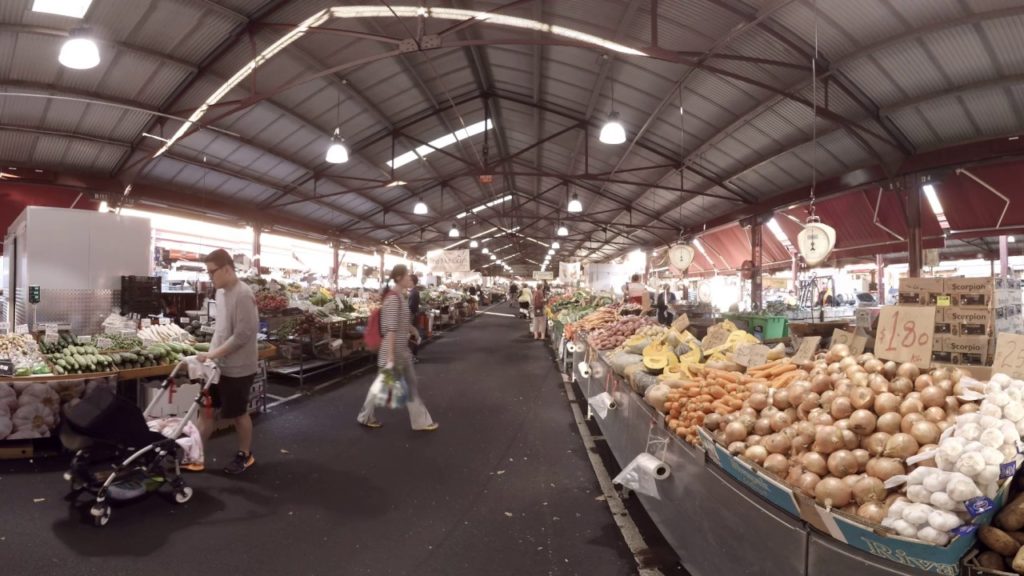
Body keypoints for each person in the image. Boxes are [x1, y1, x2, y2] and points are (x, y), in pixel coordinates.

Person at [189, 249, 259, 475]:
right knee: (206, 412)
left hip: (238, 367)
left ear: (227, 269)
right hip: (216, 367)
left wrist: (213, 354)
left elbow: (243, 335)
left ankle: (245, 455)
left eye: (212, 272)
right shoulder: (220, 293)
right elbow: (221, 331)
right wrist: (210, 357)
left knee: (238, 413)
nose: (210, 277)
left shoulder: (243, 294)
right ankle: (195, 456)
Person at [357, 265, 437, 431]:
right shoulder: (393, 298)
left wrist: (413, 330)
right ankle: (420, 422)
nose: (411, 279)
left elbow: (401, 323)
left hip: (399, 350)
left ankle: (365, 416)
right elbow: (391, 328)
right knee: (408, 385)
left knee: (386, 385)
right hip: (393, 351)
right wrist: (391, 357)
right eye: (408, 276)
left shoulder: (399, 296)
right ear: (400, 278)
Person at [409, 274, 422, 362]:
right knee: (413, 336)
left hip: (412, 317)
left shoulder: (414, 293)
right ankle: (413, 356)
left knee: (412, 336)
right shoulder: (414, 291)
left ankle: (413, 356)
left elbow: (411, 307)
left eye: (409, 280)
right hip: (414, 316)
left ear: (412, 281)